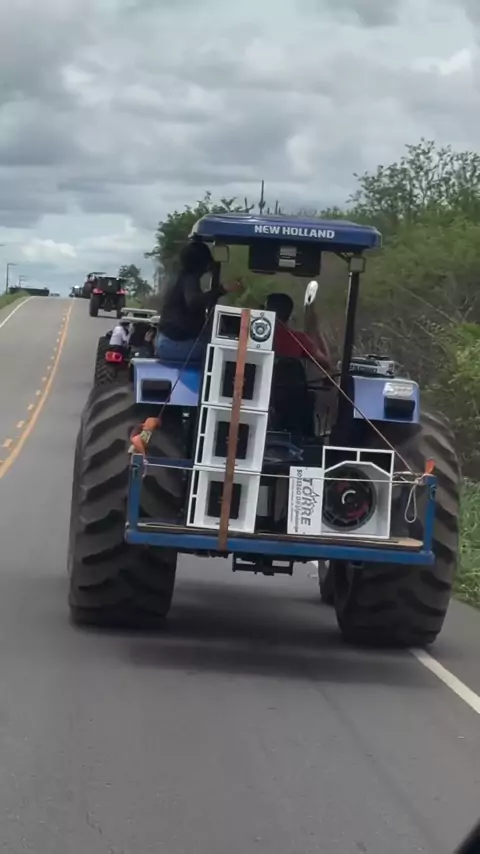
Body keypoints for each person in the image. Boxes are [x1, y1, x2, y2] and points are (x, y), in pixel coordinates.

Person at [155, 240, 243, 362]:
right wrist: (222, 289)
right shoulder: (190, 279)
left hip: (167, 342)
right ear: (202, 263)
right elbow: (193, 302)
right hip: (179, 344)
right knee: (224, 354)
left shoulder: (179, 278)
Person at [264, 292, 332, 372]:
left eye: (264, 309)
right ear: (289, 315)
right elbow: (326, 363)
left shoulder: (255, 337)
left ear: (268, 312)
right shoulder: (299, 339)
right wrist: (317, 330)